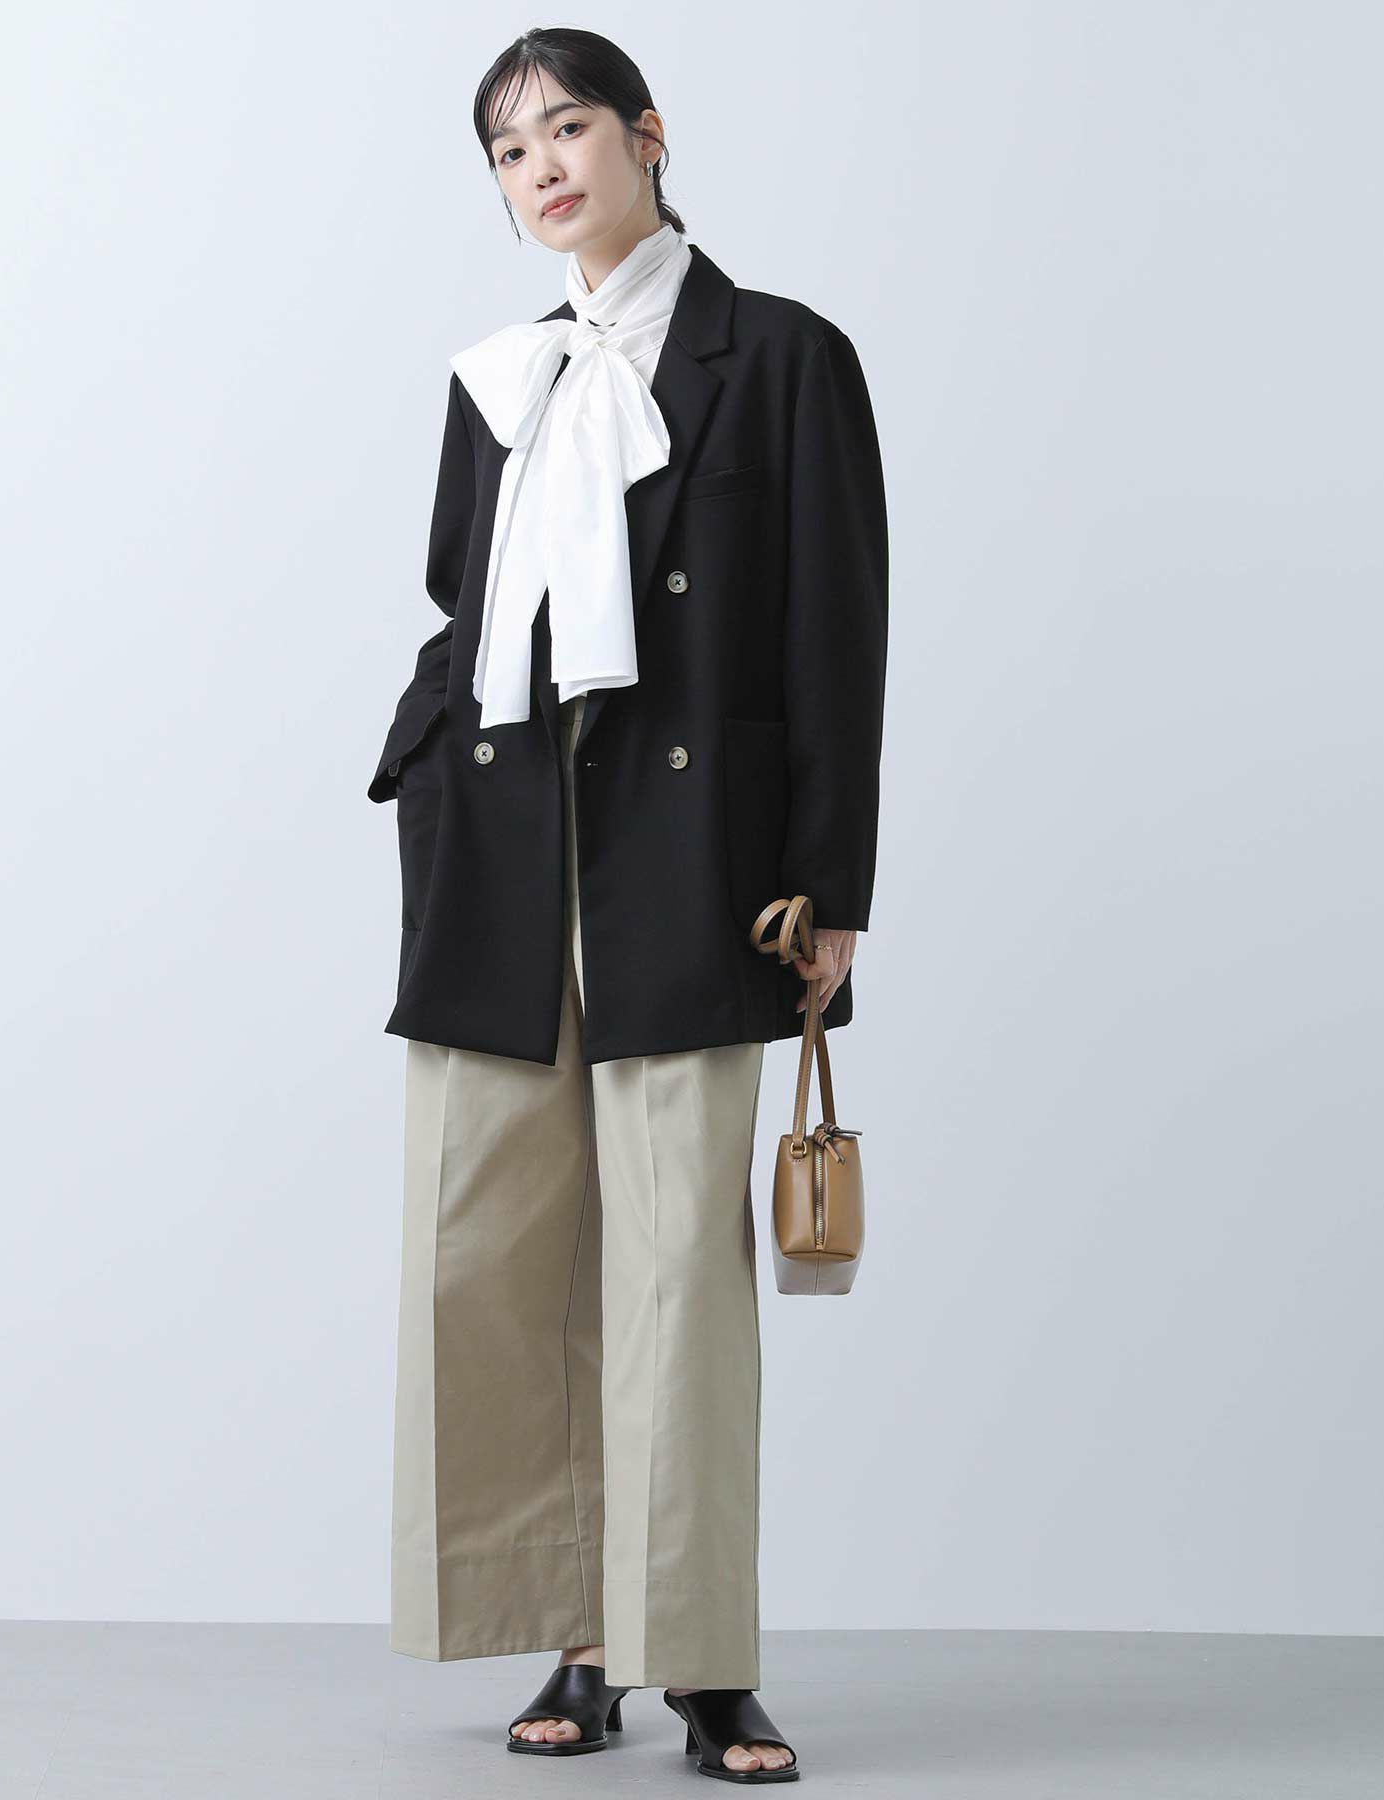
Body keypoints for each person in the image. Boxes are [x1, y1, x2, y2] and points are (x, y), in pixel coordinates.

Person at [366, 26, 888, 1785]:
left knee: (675, 1266)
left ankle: (704, 1660)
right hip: (503, 857)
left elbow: (834, 635)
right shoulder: (498, 380)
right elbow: (460, 609)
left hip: (697, 864)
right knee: (489, 1257)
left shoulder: (782, 355)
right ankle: (577, 1636)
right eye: (509, 151)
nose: (544, 169)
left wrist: (829, 887)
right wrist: (422, 781)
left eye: (569, 127)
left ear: (648, 135)